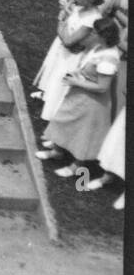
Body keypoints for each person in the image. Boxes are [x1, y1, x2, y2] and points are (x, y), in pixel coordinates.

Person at [38, 19, 121, 179]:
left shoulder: (109, 57)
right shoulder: (98, 48)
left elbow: (103, 87)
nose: (91, 34)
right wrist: (76, 75)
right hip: (79, 95)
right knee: (65, 121)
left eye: (95, 32)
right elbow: (87, 67)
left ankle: (77, 166)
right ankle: (57, 151)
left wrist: (76, 81)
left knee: (83, 134)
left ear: (104, 36)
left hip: (92, 102)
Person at [33, 0, 108, 120]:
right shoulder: (80, 8)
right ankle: (47, 103)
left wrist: (60, 23)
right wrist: (66, 12)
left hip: (74, 57)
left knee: (61, 83)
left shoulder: (92, 18)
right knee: (54, 77)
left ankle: (54, 115)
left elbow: (69, 41)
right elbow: (68, 25)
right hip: (65, 53)